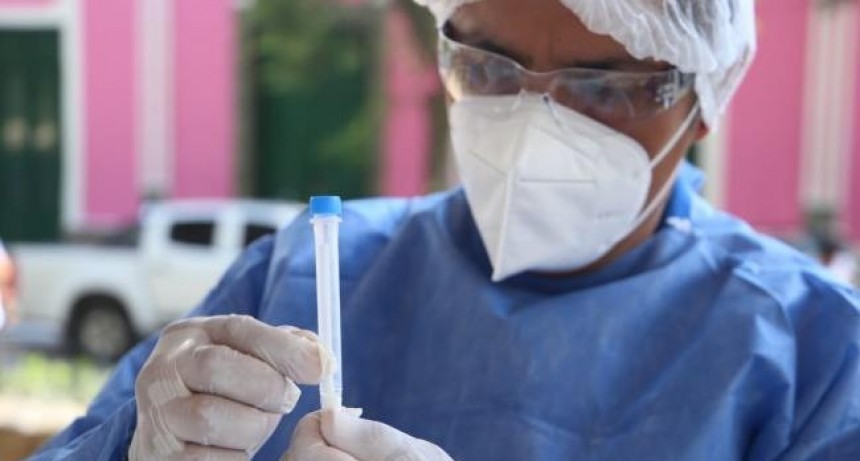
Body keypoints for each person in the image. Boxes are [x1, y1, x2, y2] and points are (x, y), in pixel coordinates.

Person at [32, 0, 860, 459]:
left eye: (604, 86)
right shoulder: (305, 274)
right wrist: (135, 445)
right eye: (489, 68)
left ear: (706, 101)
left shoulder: (812, 355)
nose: (533, 124)